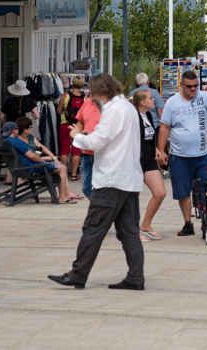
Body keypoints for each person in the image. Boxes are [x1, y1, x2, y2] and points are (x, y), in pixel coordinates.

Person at [49, 74, 145, 290]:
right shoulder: (128, 107)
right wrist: (91, 134)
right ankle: (135, 277)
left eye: (92, 94)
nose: (90, 99)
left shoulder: (113, 110)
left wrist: (77, 136)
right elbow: (111, 137)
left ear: (102, 92)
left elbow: (98, 142)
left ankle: (78, 274)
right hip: (128, 178)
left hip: (111, 179)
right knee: (129, 231)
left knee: (93, 228)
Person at [157, 69, 207, 236]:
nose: (193, 89)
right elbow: (165, 128)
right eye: (189, 87)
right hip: (179, 156)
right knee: (183, 191)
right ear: (182, 85)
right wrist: (161, 151)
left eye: (195, 86)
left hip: (203, 155)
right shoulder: (172, 103)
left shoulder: (204, 96)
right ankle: (188, 223)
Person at [8, 116, 81, 201]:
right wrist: (45, 158)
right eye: (31, 127)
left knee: (58, 165)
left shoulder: (29, 137)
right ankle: (63, 196)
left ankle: (59, 195)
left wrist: (53, 157)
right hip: (32, 167)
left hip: (33, 164)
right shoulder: (19, 142)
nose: (32, 128)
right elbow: (30, 156)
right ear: (25, 129)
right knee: (61, 167)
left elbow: (42, 147)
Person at [130, 88, 167, 241]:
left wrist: (157, 149)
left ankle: (145, 224)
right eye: (151, 98)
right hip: (134, 160)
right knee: (133, 197)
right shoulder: (132, 117)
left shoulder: (149, 116)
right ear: (142, 102)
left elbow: (150, 136)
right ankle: (132, 230)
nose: (154, 100)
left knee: (160, 193)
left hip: (149, 158)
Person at [77, 85, 103, 197]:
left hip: (102, 153)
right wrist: (78, 136)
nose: (90, 95)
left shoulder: (109, 107)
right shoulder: (87, 102)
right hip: (87, 151)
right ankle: (97, 210)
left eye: (93, 93)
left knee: (102, 188)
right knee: (86, 187)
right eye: (90, 93)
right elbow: (80, 122)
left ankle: (99, 211)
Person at [59, 77, 87, 181]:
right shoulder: (85, 98)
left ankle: (63, 174)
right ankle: (74, 175)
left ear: (72, 83)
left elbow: (58, 111)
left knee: (64, 150)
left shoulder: (65, 95)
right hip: (78, 126)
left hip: (65, 124)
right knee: (76, 150)